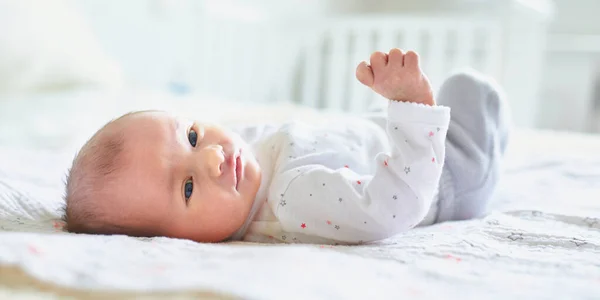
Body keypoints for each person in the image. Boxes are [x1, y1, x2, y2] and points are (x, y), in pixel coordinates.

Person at [62, 49, 510, 244]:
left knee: (463, 89)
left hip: (391, 138)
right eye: (187, 189)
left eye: (192, 137)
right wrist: (411, 110)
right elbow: (393, 207)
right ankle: (483, 167)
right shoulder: (292, 199)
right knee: (472, 88)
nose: (214, 157)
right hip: (446, 177)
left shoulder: (244, 164)